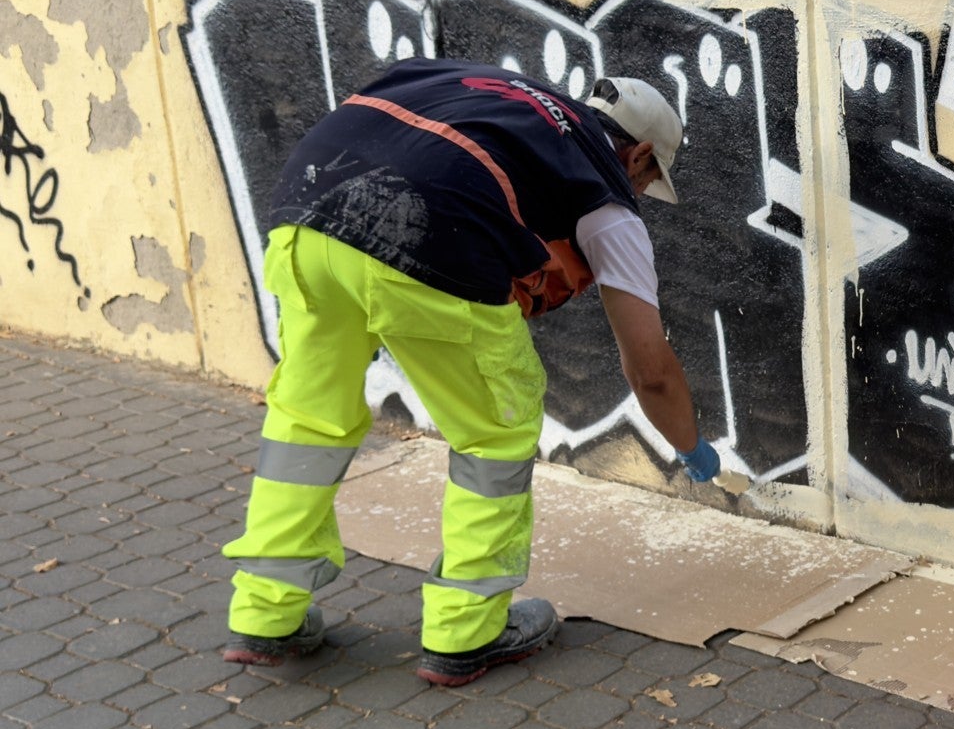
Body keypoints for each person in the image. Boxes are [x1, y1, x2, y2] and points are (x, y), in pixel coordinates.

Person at [219, 57, 721, 687]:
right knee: (494, 433)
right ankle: (466, 631)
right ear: (641, 156)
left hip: (307, 214)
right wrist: (690, 445)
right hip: (431, 237)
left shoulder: (505, 99)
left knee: (307, 419)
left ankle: (265, 613)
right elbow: (651, 371)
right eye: (650, 182)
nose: (642, 196)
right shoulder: (604, 197)